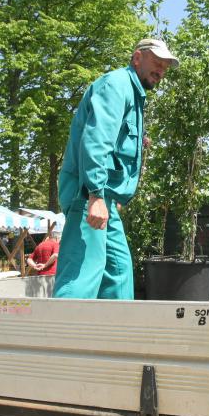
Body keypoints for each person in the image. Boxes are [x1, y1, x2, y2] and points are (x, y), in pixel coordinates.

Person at [54, 38, 179, 299]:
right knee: (82, 273)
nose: (161, 71)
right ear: (137, 58)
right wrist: (96, 195)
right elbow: (96, 140)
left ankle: (118, 336)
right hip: (86, 192)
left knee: (118, 271)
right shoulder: (116, 85)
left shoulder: (134, 95)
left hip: (105, 198)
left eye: (165, 67)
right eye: (156, 62)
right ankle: (59, 336)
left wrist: (112, 197)